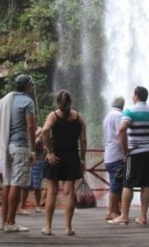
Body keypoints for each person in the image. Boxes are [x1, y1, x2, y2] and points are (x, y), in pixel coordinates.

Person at [109, 86, 149, 226]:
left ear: (136, 96)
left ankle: (124, 216)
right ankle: (143, 217)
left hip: (135, 153)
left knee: (128, 184)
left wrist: (125, 150)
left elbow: (122, 129)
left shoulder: (130, 111)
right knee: (146, 184)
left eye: (133, 95)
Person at [0, 74, 37, 232]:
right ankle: (11, 222)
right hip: (20, 146)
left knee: (7, 183)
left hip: (6, 146)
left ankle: (4, 222)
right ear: (27, 86)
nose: (33, 87)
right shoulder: (28, 101)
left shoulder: (4, 101)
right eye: (32, 85)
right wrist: (33, 149)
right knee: (16, 183)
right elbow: (30, 126)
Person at [41, 90, 87, 236]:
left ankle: (48, 227)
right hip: (72, 157)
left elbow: (44, 131)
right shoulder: (79, 117)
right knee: (69, 193)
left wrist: (49, 151)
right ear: (70, 103)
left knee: (52, 192)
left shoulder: (53, 116)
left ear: (57, 103)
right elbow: (83, 140)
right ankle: (68, 227)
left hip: (56, 157)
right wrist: (82, 159)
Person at [102, 96, 125, 220]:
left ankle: (115, 209)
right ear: (122, 105)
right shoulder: (118, 116)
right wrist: (125, 151)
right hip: (116, 155)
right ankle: (111, 211)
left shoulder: (108, 116)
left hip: (109, 155)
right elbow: (121, 133)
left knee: (115, 182)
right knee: (115, 184)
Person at [18, 126, 45, 214]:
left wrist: (35, 138)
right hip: (26, 159)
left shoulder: (40, 130)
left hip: (38, 160)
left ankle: (37, 205)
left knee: (37, 185)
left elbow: (38, 143)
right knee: (25, 185)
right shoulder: (24, 130)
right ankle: (22, 206)